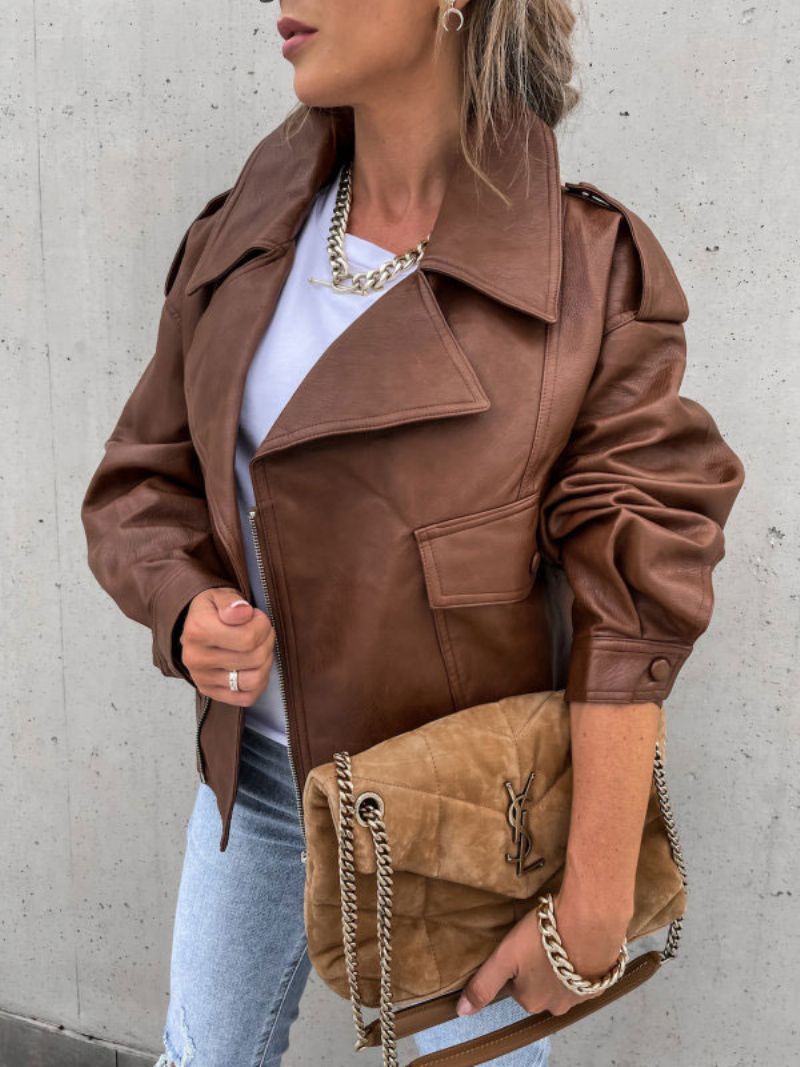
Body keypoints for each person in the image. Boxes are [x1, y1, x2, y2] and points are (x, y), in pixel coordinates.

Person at [80, 1, 745, 1065]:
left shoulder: (586, 268)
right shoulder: (242, 236)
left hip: (469, 816)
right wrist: (184, 601)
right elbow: (144, 478)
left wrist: (592, 902)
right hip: (259, 781)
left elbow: (634, 603)